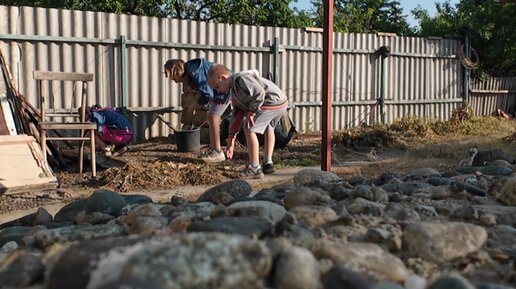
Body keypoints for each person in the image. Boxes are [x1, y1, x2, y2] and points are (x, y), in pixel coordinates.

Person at [207, 64, 288, 179]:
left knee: (249, 127)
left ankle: (254, 167)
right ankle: (268, 163)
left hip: (272, 101)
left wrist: (252, 112)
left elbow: (259, 93)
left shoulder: (240, 79)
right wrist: (231, 139)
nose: (217, 90)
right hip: (280, 102)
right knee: (268, 127)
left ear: (222, 78)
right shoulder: (234, 92)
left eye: (216, 87)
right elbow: (237, 115)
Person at [163, 58, 231, 163]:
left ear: (176, 71)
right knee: (212, 116)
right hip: (222, 91)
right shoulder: (191, 71)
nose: (174, 81)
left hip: (226, 89)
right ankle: (215, 150)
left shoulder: (194, 72)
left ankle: (217, 151)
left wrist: (196, 105)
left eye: (172, 76)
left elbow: (208, 94)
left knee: (213, 116)